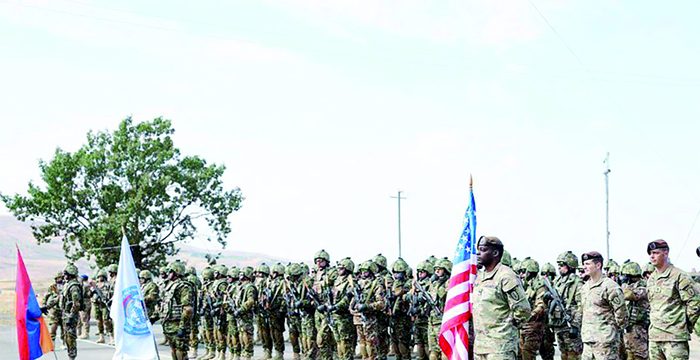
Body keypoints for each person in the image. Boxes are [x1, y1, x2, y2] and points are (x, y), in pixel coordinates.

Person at [472, 236, 531, 360]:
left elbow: (523, 310)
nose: (478, 253)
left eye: (483, 250)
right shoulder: (480, 277)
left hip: (500, 347)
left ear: (495, 253)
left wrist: (507, 328)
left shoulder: (506, 276)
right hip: (480, 346)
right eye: (478, 249)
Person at [646, 239, 700, 360]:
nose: (652, 256)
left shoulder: (679, 276)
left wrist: (685, 324)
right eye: (650, 254)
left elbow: (695, 302)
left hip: (674, 338)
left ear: (666, 253)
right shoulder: (652, 278)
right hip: (655, 338)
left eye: (655, 253)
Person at [577, 251, 627, 360]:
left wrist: (611, 331)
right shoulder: (585, 288)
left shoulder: (610, 287)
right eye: (584, 264)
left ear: (598, 265)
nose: (584, 267)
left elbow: (621, 313)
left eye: (588, 264)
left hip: (605, 343)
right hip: (588, 341)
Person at [552, 251, 583, 360]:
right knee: (563, 353)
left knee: (573, 354)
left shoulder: (577, 283)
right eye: (558, 265)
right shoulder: (558, 282)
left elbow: (581, 306)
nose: (559, 268)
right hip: (559, 324)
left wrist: (575, 325)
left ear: (570, 266)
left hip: (570, 324)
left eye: (562, 265)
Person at [162, 261, 195, 360]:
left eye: (170, 271)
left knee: (180, 351)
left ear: (176, 272)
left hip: (178, 324)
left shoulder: (184, 286)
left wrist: (182, 327)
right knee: (173, 350)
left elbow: (188, 309)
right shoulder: (170, 286)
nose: (168, 274)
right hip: (169, 324)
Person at [619, 261, 649, 360]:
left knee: (640, 354)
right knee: (629, 353)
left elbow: (628, 295)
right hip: (630, 326)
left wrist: (623, 284)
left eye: (626, 275)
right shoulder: (631, 285)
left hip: (640, 326)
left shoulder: (643, 285)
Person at [60, 263, 83, 360]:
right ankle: (70, 356)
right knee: (67, 337)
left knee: (71, 337)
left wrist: (71, 315)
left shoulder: (74, 286)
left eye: (66, 274)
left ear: (70, 274)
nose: (64, 276)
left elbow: (76, 304)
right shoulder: (67, 285)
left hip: (71, 315)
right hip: (66, 314)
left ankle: (72, 357)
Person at [236, 266, 258, 360]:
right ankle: (244, 352)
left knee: (246, 334)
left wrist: (241, 309)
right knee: (241, 334)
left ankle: (248, 354)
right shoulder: (242, 286)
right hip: (241, 314)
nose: (240, 276)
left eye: (242, 274)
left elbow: (251, 301)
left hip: (245, 314)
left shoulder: (250, 287)